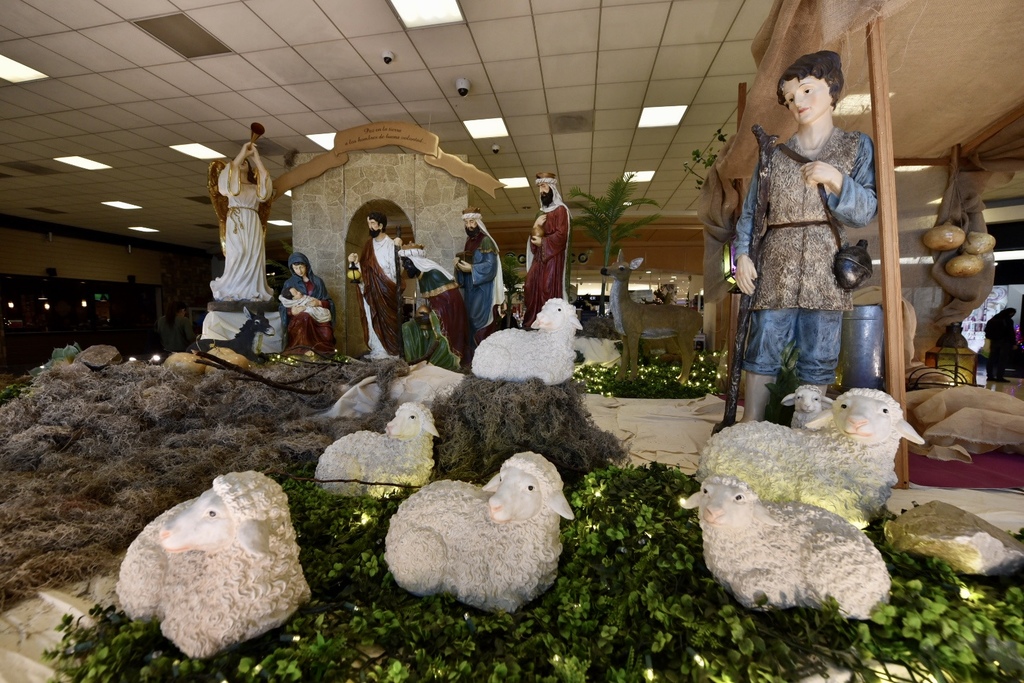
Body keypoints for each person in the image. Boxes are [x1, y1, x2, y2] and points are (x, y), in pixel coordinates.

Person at [733, 50, 877, 422]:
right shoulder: (774, 155)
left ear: (831, 89)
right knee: (763, 342)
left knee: (820, 349)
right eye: (790, 97)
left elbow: (865, 211)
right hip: (776, 261)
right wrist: (742, 255)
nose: (798, 102)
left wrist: (836, 179)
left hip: (825, 264)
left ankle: (809, 426)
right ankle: (752, 425)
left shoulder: (855, 146)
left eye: (807, 90)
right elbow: (752, 212)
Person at [210, 140, 274, 302]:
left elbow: (265, 188)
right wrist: (242, 154)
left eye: (246, 161)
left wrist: (256, 158)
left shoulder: (254, 187)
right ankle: (232, 289)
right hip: (236, 220)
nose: (243, 162)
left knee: (253, 255)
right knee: (238, 253)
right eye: (240, 162)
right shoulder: (231, 187)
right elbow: (224, 181)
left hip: (252, 221)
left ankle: (252, 290)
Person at [400, 244, 468, 366]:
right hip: (437, 320)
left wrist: (431, 316)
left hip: (448, 325)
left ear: (415, 261)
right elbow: (435, 303)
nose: (404, 267)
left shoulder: (433, 274)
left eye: (406, 262)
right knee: (407, 327)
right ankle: (413, 360)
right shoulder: (422, 276)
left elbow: (451, 305)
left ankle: (435, 361)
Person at [454, 206, 504, 360]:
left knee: (477, 320)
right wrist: (458, 266)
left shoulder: (486, 241)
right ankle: (472, 358)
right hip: (470, 290)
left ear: (478, 222)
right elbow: (467, 263)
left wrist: (472, 269)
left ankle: (483, 358)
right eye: (466, 223)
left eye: (472, 222)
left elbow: (491, 267)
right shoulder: (469, 242)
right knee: (469, 321)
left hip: (483, 291)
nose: (469, 226)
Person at [350, 211, 402, 358]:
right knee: (371, 317)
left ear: (381, 225)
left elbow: (396, 272)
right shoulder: (368, 245)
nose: (370, 226)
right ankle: (378, 349)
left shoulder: (391, 245)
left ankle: (391, 350)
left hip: (387, 290)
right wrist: (355, 263)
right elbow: (363, 269)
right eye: (369, 223)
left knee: (389, 322)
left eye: (373, 223)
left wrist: (398, 252)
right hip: (371, 290)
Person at [523, 172, 571, 330]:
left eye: (543, 187)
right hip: (539, 257)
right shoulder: (541, 213)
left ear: (551, 188)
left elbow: (561, 236)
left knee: (547, 287)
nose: (541, 191)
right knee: (530, 285)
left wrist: (543, 242)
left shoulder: (561, 210)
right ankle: (532, 321)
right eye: (539, 188)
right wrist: (535, 226)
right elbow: (535, 234)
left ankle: (548, 324)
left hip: (552, 257)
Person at [278, 252, 335, 356]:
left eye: (301, 267)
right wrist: (291, 311)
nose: (299, 271)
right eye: (296, 268)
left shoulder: (318, 282)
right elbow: (283, 305)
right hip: (300, 318)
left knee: (327, 335)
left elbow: (329, 302)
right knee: (305, 317)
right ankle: (304, 351)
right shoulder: (289, 283)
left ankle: (322, 354)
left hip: (319, 317)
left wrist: (319, 302)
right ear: (292, 268)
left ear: (306, 266)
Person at [985, 307, 1017, 382]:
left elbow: (987, 331)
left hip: (994, 341)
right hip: (1005, 342)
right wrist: (1014, 343)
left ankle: (990, 376)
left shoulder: (992, 320)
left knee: (991, 359)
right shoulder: (1008, 320)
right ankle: (999, 377)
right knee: (1002, 360)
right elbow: (1010, 333)